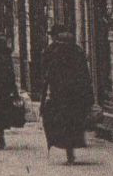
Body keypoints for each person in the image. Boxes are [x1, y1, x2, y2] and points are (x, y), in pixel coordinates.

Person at [40, 24, 96, 164]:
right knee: (73, 123)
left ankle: (66, 149)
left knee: (60, 122)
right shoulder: (77, 52)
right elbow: (85, 75)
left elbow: (47, 74)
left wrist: (45, 95)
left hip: (59, 95)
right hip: (75, 96)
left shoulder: (53, 52)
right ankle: (70, 150)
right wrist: (88, 96)